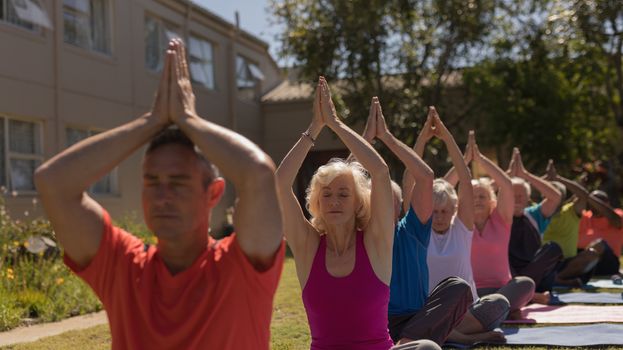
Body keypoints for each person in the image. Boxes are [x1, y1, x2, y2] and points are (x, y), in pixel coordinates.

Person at [34, 39, 284, 350]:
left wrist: (188, 120)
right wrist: (150, 122)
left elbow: (258, 173)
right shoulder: (124, 266)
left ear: (214, 192)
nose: (162, 196)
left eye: (178, 183)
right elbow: (53, 182)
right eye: (152, 182)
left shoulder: (240, 268)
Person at [276, 78, 438, 350]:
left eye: (343, 194)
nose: (334, 201)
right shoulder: (308, 246)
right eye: (326, 195)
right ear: (317, 203)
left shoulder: (375, 241)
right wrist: (315, 127)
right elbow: (280, 182)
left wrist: (336, 124)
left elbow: (380, 171)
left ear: (358, 202)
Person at [363, 104, 473, 347]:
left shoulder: (412, 229)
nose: (383, 207)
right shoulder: (362, 236)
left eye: (389, 201)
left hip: (418, 319)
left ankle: (407, 342)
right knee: (428, 347)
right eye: (376, 201)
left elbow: (424, 177)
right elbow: (344, 180)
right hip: (378, 323)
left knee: (458, 288)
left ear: (401, 205)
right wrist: (365, 140)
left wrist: (387, 138)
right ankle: (412, 343)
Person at [413, 117, 509, 345]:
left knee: (499, 303)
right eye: (434, 211)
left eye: (445, 211)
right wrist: (422, 140)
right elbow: (413, 177)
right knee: (414, 315)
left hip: (464, 313)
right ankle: (467, 338)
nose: (439, 217)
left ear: (454, 209)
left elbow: (465, 181)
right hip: (430, 312)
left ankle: (452, 336)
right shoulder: (418, 231)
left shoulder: (461, 228)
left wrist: (447, 138)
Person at [446, 132, 535, 318]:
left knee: (526, 284)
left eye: (482, 196)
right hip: (469, 291)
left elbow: (506, 184)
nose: (477, 200)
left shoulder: (501, 219)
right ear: (463, 201)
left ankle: (492, 309)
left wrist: (479, 159)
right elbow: (441, 187)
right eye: (473, 196)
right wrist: (463, 162)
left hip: (502, 289)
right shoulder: (459, 222)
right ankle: (497, 310)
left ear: (491, 201)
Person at [543, 161, 623, 285]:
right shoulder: (583, 216)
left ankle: (556, 278)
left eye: (599, 201)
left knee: (599, 245)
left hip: (606, 262)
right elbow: (564, 206)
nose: (595, 204)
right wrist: (579, 189)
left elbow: (615, 220)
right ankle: (557, 279)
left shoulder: (617, 215)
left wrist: (588, 196)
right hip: (583, 261)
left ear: (607, 203)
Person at [506, 148, 563, 302]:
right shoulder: (497, 216)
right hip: (508, 273)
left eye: (520, 196)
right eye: (512, 195)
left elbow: (555, 197)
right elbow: (478, 194)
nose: (516, 199)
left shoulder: (534, 215)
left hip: (533, 273)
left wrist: (525, 175)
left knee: (553, 248)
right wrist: (507, 176)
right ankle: (528, 295)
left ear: (527, 198)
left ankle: (522, 292)